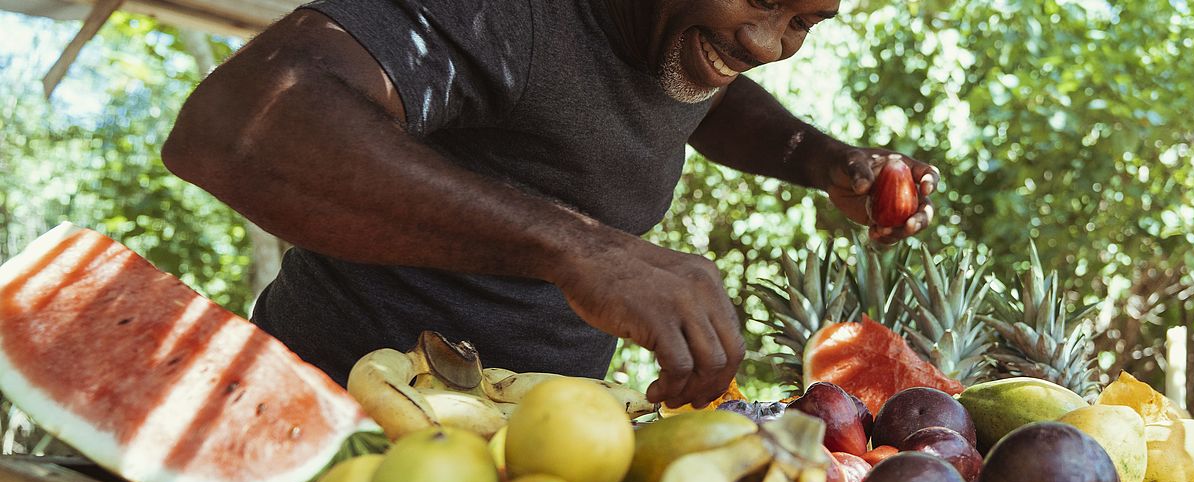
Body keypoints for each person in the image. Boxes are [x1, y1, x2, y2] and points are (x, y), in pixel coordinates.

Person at [162, 0, 939, 409]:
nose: (770, 44)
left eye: (804, 22)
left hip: (516, 457)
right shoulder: (504, 14)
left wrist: (822, 159)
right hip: (332, 413)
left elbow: (708, 101)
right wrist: (583, 249)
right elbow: (235, 129)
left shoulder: (678, 34)